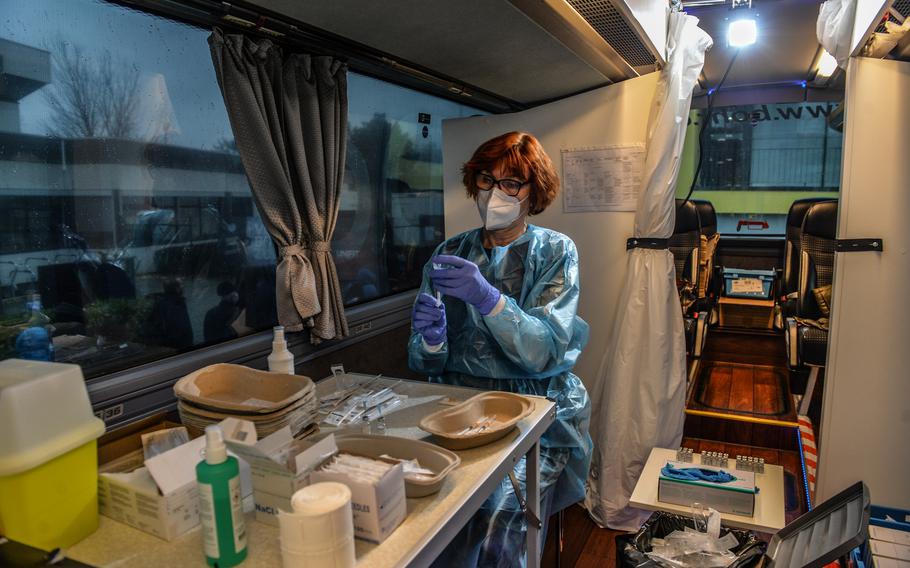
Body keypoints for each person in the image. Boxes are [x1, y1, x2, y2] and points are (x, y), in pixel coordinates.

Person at [408, 131, 592, 567]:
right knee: (432, 513)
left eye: (512, 183)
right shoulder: (450, 252)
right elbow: (423, 362)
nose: (496, 194)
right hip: (460, 406)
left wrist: (489, 299)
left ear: (533, 192)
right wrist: (431, 340)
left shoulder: (555, 252)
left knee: (499, 526)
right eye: (488, 181)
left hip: (535, 410)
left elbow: (544, 351)